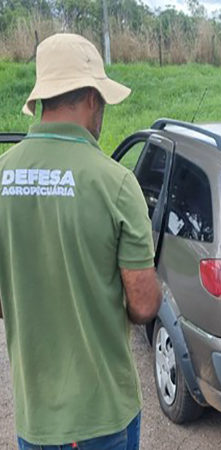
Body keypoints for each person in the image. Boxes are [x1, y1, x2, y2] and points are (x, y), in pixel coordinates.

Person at [0, 33, 161, 448]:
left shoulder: (2, 174)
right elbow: (144, 305)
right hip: (99, 415)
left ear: (41, 100)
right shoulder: (116, 184)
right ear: (92, 97)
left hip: (34, 419)